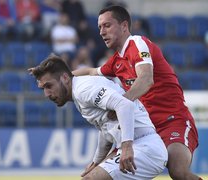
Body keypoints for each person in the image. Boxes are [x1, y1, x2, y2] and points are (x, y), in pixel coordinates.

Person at [72, 5, 200, 180]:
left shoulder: (138, 43)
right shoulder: (116, 62)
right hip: (144, 130)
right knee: (97, 177)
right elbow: (92, 72)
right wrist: (62, 76)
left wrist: (122, 103)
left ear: (124, 26)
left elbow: (146, 79)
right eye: (100, 27)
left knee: (178, 171)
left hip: (172, 120)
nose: (102, 32)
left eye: (107, 25)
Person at [29, 55, 168, 179]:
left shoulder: (83, 89)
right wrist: (96, 161)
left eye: (49, 86)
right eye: (43, 89)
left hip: (144, 147)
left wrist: (126, 147)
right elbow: (105, 128)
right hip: (140, 146)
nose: (47, 94)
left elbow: (125, 105)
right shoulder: (79, 93)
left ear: (65, 78)